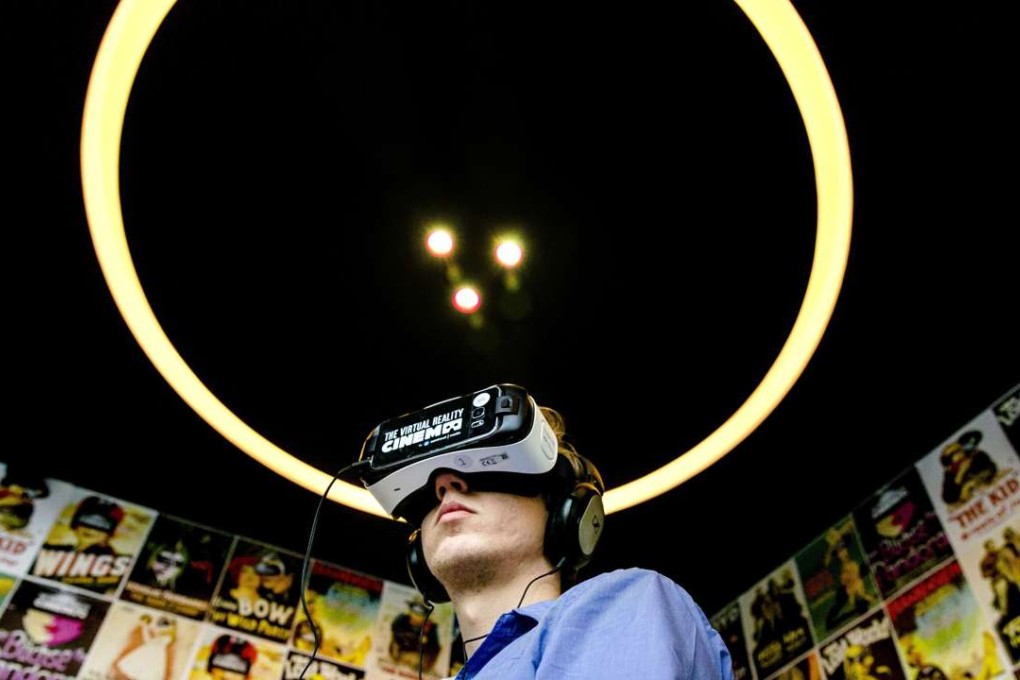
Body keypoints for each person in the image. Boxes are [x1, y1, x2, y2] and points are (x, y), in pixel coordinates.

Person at [349, 385, 733, 679]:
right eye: (426, 495)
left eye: (490, 467)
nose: (446, 485)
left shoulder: (626, 603)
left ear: (565, 517)